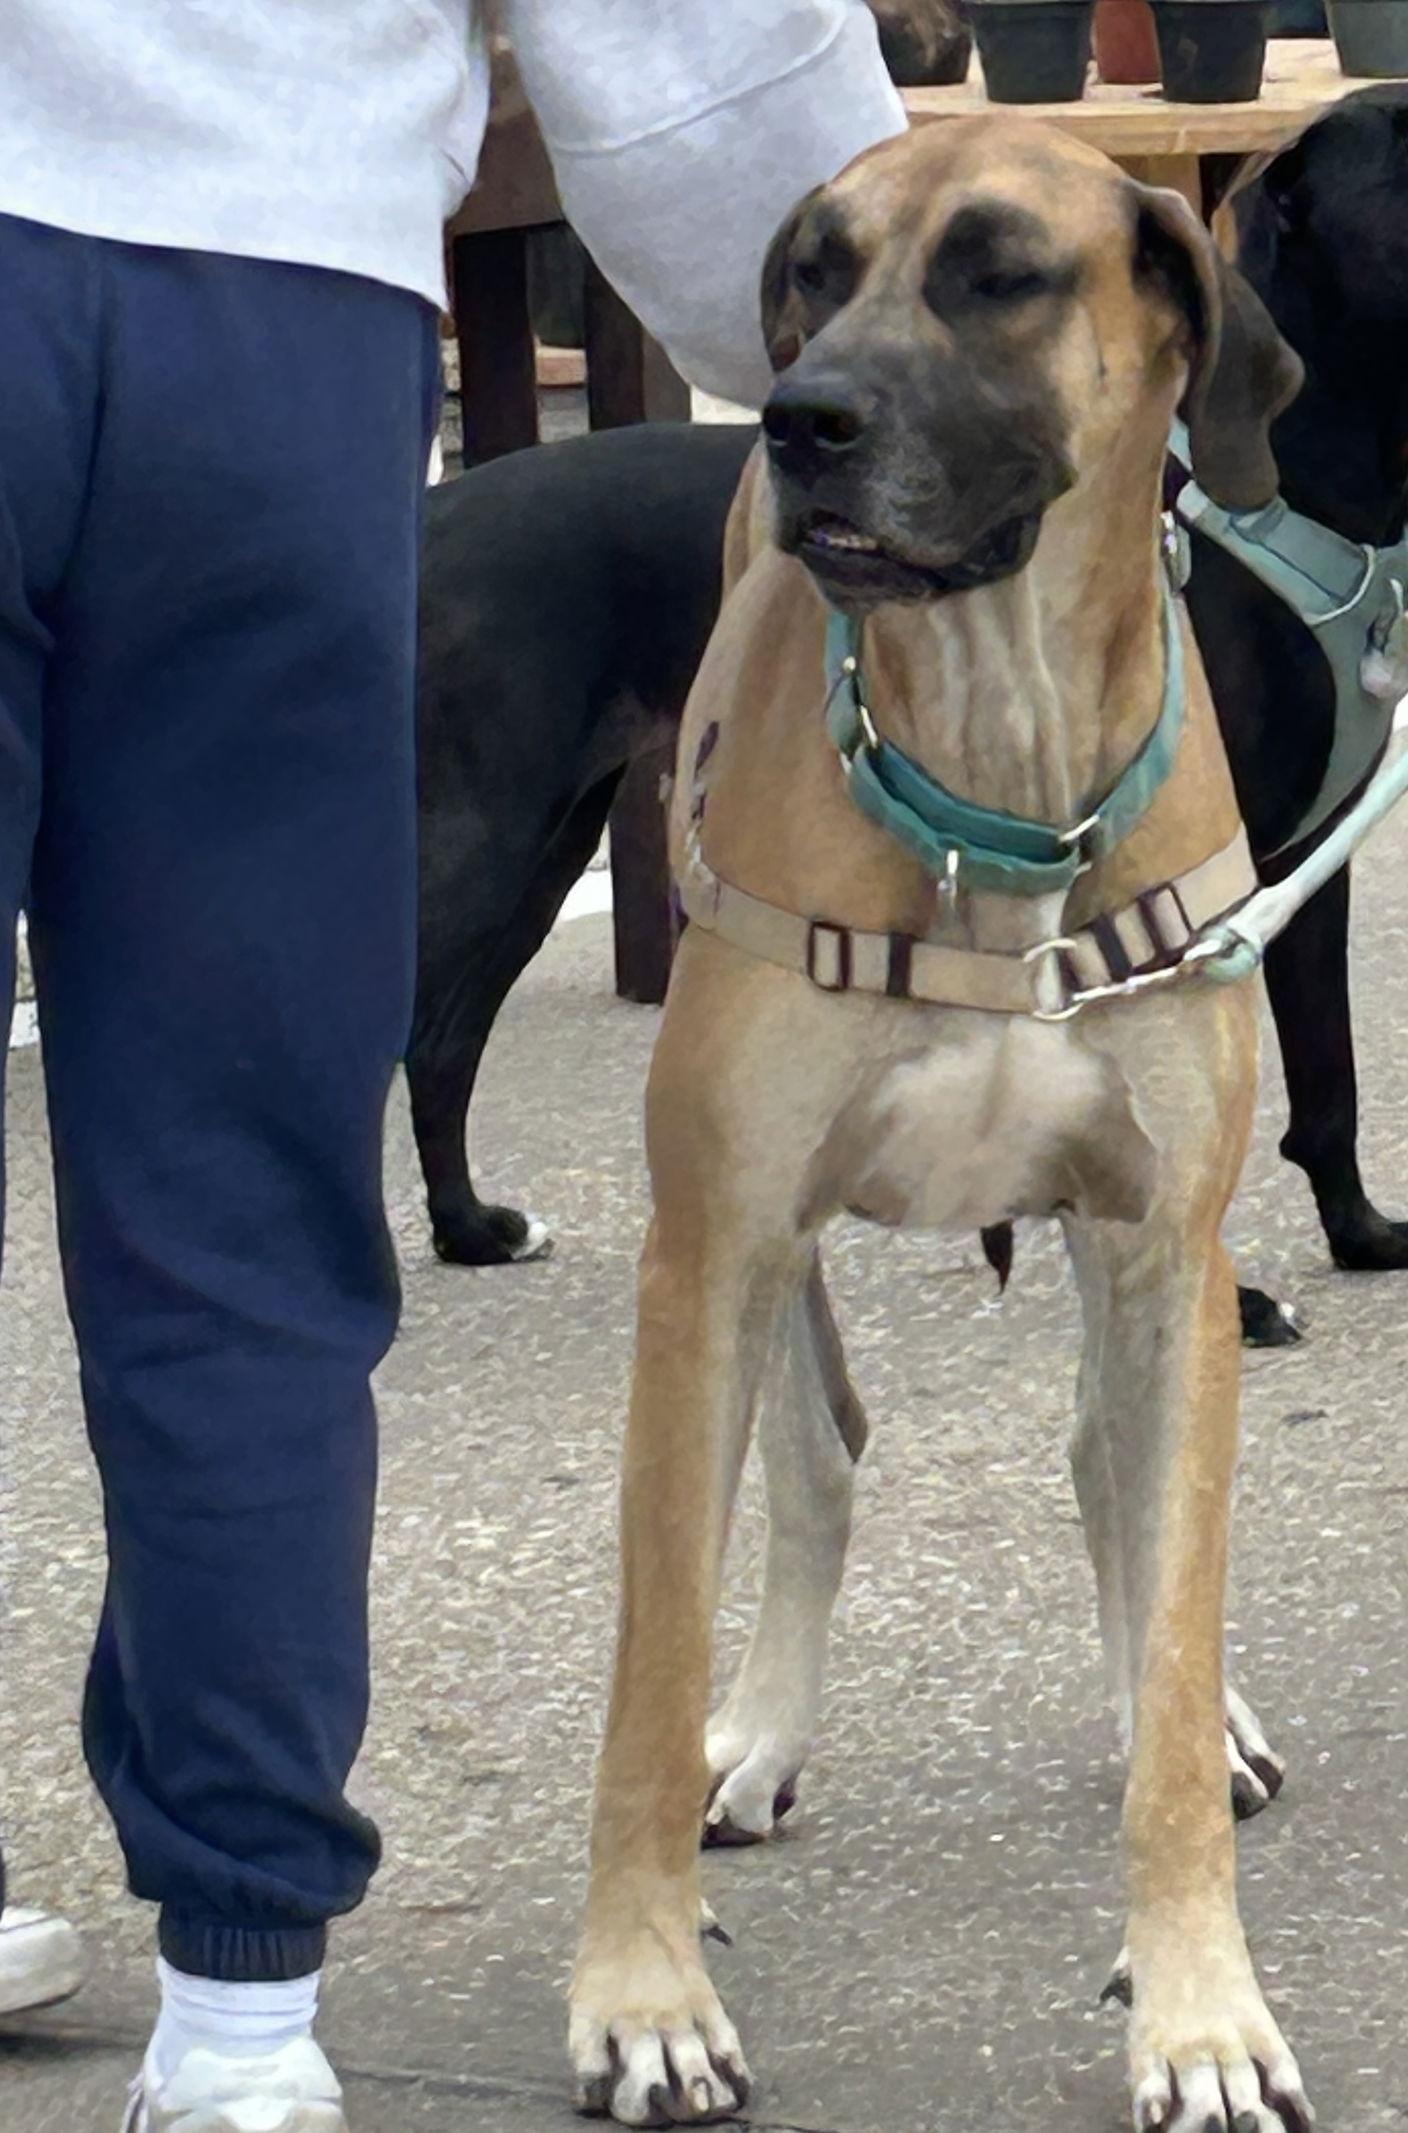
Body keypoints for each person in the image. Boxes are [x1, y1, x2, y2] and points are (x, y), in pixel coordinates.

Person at [0, 5, 904, 2129]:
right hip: (277, 295)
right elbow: (702, 71)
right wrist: (921, 316)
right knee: (238, 1171)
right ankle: (239, 2008)